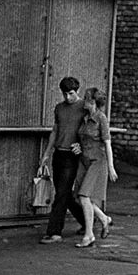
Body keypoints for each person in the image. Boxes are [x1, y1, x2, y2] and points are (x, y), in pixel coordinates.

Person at [38, 76, 87, 244]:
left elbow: (91, 131)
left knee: (61, 194)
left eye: (71, 93)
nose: (67, 97)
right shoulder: (59, 108)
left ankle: (54, 232)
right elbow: (55, 130)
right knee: (64, 194)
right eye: (64, 94)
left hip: (73, 156)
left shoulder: (84, 107)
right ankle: (88, 221)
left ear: (77, 91)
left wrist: (81, 146)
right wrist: (47, 152)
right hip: (58, 153)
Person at [74, 88, 118, 247]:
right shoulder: (85, 118)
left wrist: (111, 167)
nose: (83, 100)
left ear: (92, 102)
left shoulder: (101, 119)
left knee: (85, 196)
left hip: (97, 161)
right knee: (79, 196)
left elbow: (107, 143)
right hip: (84, 160)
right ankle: (104, 218)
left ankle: (89, 235)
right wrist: (78, 147)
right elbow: (83, 138)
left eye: (86, 98)